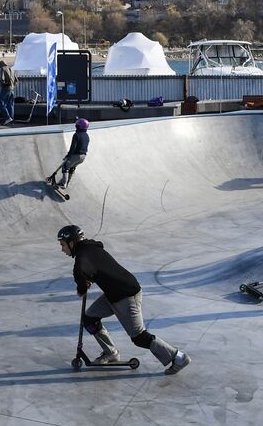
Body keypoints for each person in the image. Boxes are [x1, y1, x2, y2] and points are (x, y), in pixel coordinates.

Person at [58, 224, 191, 374]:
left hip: (127, 296)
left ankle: (178, 357)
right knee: (89, 319)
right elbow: (96, 268)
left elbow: (80, 272)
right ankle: (111, 353)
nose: (62, 249)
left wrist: (81, 287)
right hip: (113, 294)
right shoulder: (91, 249)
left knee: (139, 337)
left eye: (62, 245)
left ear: (72, 243)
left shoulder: (82, 257)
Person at [49, 117, 90, 189]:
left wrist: (68, 155)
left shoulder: (76, 135)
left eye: (77, 126)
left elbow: (73, 147)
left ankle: (63, 184)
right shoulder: (87, 136)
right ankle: (65, 182)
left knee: (65, 166)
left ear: (78, 127)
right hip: (83, 156)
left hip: (76, 155)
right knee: (72, 168)